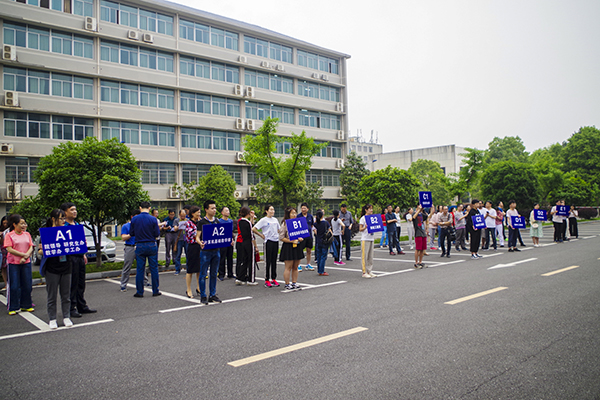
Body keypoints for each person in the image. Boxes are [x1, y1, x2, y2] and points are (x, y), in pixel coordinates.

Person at [60, 202, 96, 317]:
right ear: (65, 212)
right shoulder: (63, 227)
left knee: (81, 282)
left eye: (75, 209)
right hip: (70, 257)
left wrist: (84, 254)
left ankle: (82, 305)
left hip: (80, 257)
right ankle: (71, 308)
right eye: (71, 210)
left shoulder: (77, 225)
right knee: (72, 283)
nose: (74, 212)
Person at [40, 209, 73, 329]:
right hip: (52, 268)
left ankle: (66, 316)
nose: (64, 221)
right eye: (61, 218)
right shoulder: (47, 233)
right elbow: (40, 251)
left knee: (66, 295)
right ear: (54, 219)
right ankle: (52, 319)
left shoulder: (68, 232)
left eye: (64, 218)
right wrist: (44, 249)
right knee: (52, 295)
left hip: (66, 267)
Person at [4, 214, 34, 315]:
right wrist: (23, 255)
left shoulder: (27, 234)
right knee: (14, 285)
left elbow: (31, 246)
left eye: (24, 223)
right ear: (14, 224)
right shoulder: (9, 235)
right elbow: (9, 249)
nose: (23, 225)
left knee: (27, 284)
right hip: (13, 263)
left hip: (26, 262)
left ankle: (26, 305)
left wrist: (26, 256)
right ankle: (13, 306)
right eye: (21, 223)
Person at [130, 201, 161, 297]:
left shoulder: (134, 219)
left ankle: (140, 291)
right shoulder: (153, 219)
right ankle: (155, 290)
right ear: (149, 208)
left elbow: (131, 233)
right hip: (151, 244)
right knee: (154, 268)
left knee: (140, 269)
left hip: (140, 244)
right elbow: (157, 233)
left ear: (140, 208)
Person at [196, 200, 222, 304]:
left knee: (214, 273)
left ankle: (212, 294)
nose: (214, 210)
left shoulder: (217, 221)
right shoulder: (202, 222)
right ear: (206, 209)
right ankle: (203, 295)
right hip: (205, 251)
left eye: (215, 208)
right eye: (212, 208)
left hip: (216, 250)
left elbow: (221, 234)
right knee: (203, 274)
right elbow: (197, 237)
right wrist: (200, 242)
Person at [253, 205, 280, 287]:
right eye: (271, 209)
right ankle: (267, 279)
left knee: (274, 261)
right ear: (266, 211)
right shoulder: (263, 220)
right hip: (268, 241)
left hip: (275, 241)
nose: (272, 211)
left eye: (273, 209)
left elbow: (279, 230)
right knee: (268, 261)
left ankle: (274, 278)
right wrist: (261, 235)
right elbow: (254, 229)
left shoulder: (275, 220)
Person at [279, 206, 305, 290]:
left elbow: (302, 233)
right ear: (288, 214)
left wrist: (301, 238)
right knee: (288, 267)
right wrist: (291, 241)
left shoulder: (298, 223)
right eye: (292, 213)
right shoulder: (285, 223)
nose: (294, 215)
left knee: (295, 267)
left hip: (297, 246)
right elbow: (281, 237)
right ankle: (287, 284)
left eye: (295, 213)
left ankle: (294, 283)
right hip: (288, 247)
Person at [119, 209, 141, 292]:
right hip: (130, 247)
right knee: (127, 266)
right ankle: (123, 284)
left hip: (139, 246)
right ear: (132, 217)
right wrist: (131, 234)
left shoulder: (141, 225)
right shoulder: (126, 226)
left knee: (141, 265)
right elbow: (123, 237)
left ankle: (145, 282)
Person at [236, 207, 258, 286]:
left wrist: (251, 218)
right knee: (251, 261)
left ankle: (240, 278)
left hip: (243, 242)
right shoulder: (247, 222)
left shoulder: (240, 221)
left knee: (244, 260)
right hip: (249, 242)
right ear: (248, 213)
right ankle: (251, 280)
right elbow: (251, 234)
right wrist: (255, 246)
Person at [184, 206, 202, 298]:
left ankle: (199, 288)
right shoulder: (188, 223)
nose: (199, 214)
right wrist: (200, 231)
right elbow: (192, 234)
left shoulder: (200, 222)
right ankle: (188, 289)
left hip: (200, 246)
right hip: (192, 246)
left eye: (199, 212)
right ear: (192, 213)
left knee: (199, 269)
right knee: (190, 269)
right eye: (197, 212)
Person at [359, 204, 377, 278]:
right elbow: (360, 229)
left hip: (371, 238)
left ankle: (369, 270)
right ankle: (364, 272)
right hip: (365, 238)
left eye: (371, 209)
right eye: (369, 209)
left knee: (370, 256)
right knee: (365, 256)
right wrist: (365, 227)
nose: (371, 210)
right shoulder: (363, 218)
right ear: (366, 210)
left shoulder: (372, 218)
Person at [218, 207, 235, 280]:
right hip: (222, 242)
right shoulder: (219, 221)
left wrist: (232, 239)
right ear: (222, 212)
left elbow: (231, 232)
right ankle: (221, 274)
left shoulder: (230, 221)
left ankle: (230, 273)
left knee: (230, 258)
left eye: (228, 210)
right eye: (226, 210)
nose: (228, 212)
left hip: (229, 241)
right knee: (222, 258)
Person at [313, 210, 332, 276]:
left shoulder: (316, 224)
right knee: (323, 256)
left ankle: (319, 270)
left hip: (318, 241)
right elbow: (330, 231)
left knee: (319, 256)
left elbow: (314, 230)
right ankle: (321, 271)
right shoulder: (325, 223)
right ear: (322, 216)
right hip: (325, 241)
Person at [299, 203, 315, 271]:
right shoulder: (298, 216)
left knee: (309, 250)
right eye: (302, 208)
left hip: (309, 236)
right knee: (300, 250)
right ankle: (298, 265)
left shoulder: (310, 216)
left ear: (307, 209)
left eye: (304, 208)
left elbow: (312, 225)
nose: (303, 209)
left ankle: (308, 264)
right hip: (301, 236)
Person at [174, 209, 188, 275]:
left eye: (184, 215)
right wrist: (179, 226)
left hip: (186, 239)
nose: (183, 217)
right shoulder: (176, 220)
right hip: (179, 239)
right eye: (182, 215)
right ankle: (177, 269)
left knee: (188, 254)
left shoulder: (188, 220)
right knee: (178, 255)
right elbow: (175, 229)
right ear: (179, 215)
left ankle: (188, 269)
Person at [0, 216, 9, 291]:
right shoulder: (1, 230)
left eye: (6, 223)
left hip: (9, 249)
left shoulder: (11, 230)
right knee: (3, 267)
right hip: (3, 249)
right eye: (4, 223)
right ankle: (6, 284)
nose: (5, 224)